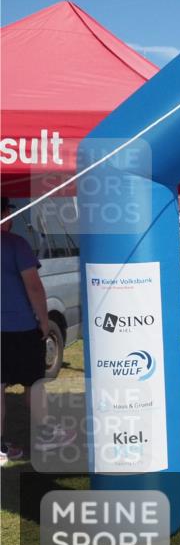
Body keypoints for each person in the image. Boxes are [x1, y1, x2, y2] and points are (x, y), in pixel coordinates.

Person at [1, 197, 74, 463]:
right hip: (20, 327)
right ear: (5, 214)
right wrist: (43, 320)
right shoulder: (16, 244)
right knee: (35, 384)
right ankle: (45, 436)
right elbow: (33, 286)